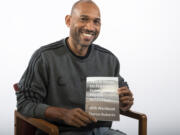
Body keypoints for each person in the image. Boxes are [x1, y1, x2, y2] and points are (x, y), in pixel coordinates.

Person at [16, 0, 134, 135]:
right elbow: (24, 103)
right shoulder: (44, 57)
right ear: (68, 21)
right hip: (58, 131)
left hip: (102, 131)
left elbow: (121, 95)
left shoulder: (109, 59)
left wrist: (125, 102)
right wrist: (62, 114)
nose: (90, 27)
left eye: (96, 21)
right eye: (84, 19)